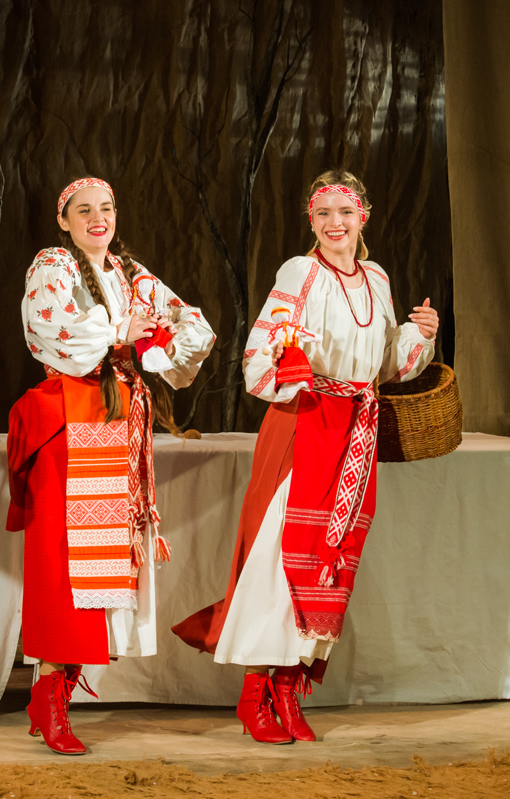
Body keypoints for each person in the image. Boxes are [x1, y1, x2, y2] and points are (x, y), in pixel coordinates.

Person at [172, 170, 438, 744]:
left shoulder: (376, 277)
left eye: (345, 212)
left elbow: (384, 364)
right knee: (280, 560)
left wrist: (420, 336)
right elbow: (261, 352)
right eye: (323, 214)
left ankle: (288, 692)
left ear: (363, 216)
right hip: (307, 421)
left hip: (356, 430)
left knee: (330, 564)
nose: (335, 224)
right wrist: (289, 358)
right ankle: (255, 695)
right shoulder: (301, 271)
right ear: (311, 221)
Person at [6, 177, 215, 755]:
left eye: (106, 208)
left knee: (104, 567)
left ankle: (54, 696)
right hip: (71, 420)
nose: (97, 218)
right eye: (83, 210)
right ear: (64, 220)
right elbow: (52, 328)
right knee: (66, 564)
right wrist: (120, 333)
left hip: (117, 421)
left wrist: (159, 344)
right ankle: (50, 698)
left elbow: (189, 325)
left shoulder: (130, 272)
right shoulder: (52, 264)